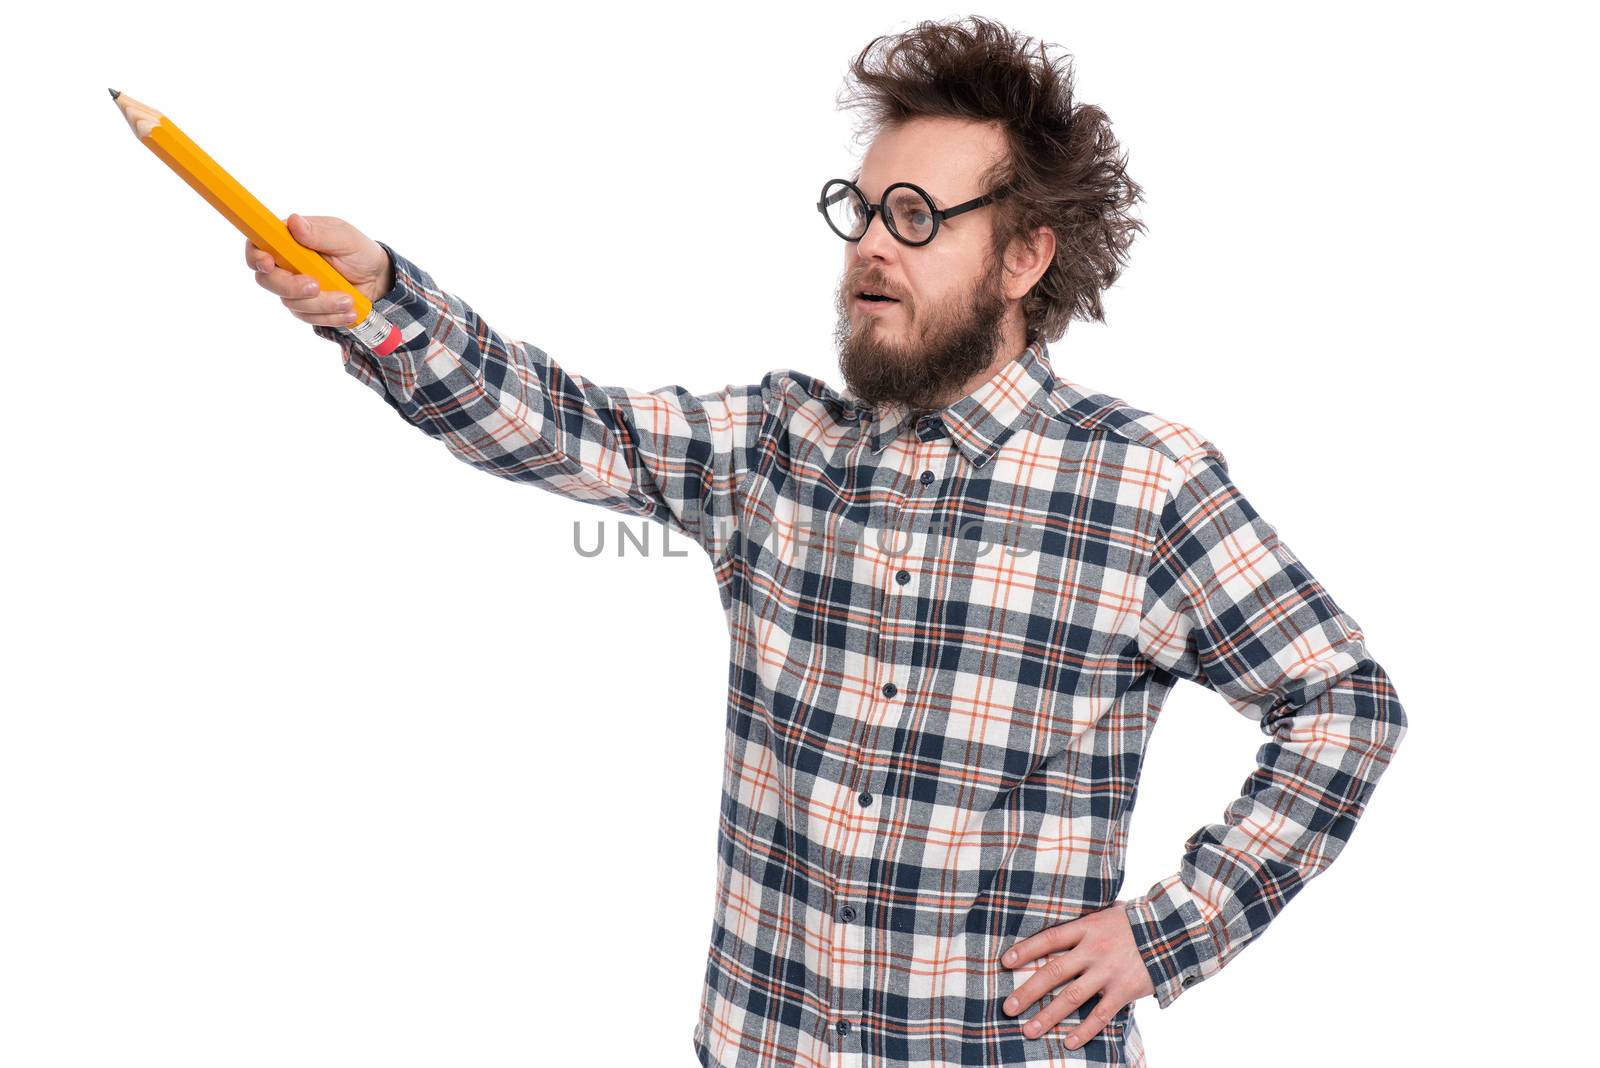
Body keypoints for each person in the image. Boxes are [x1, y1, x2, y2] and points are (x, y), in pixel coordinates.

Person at [243, 16, 1406, 1068]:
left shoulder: (1141, 481)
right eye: (862, 210)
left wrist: (1166, 936)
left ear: (1023, 258)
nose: (869, 249)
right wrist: (384, 301)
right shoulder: (775, 443)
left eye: (917, 219)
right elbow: (563, 423)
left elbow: (1342, 705)